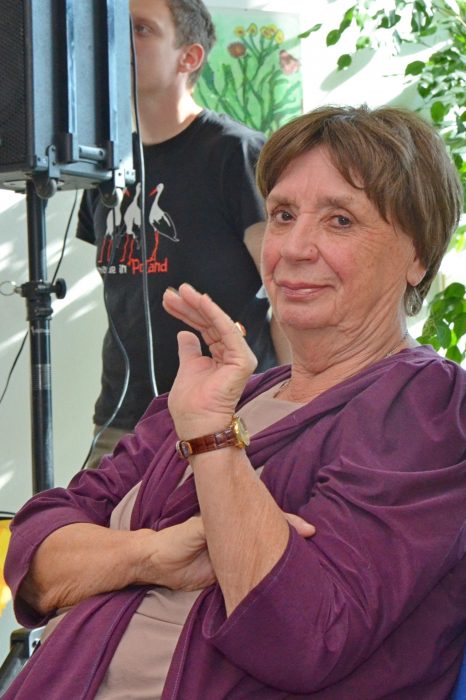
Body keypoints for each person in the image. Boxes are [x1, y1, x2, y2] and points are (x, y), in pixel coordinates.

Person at [4, 105, 466, 699]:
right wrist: (152, 554)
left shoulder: (431, 407)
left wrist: (212, 441)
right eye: (283, 215)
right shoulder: (230, 393)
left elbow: (304, 635)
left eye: (340, 221)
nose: (293, 247)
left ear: (418, 255)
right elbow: (32, 557)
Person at [78, 0, 289, 468]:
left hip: (230, 415)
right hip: (122, 419)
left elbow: (287, 293)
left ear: (189, 57)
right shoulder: (103, 165)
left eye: (141, 30)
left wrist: (290, 407)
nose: (118, 42)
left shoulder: (236, 153)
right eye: (114, 27)